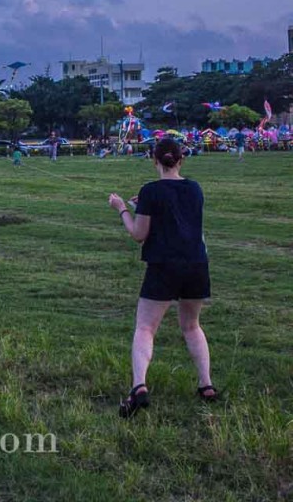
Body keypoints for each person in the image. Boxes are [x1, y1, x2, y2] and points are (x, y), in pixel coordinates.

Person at [108, 138, 216, 418]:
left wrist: (121, 208)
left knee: (145, 328)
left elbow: (138, 234)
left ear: (153, 160)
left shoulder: (150, 191)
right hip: (196, 264)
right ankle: (206, 385)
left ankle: (138, 387)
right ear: (181, 160)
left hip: (163, 265)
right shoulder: (194, 188)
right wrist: (142, 205)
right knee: (192, 326)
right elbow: (176, 216)